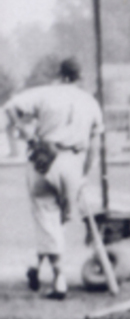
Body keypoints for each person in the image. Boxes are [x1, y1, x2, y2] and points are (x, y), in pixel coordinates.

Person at [3, 57, 103, 300]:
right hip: (74, 162)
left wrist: (25, 133)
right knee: (57, 223)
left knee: (46, 219)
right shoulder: (90, 101)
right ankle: (36, 269)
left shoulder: (45, 92)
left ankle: (59, 281)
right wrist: (84, 175)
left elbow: (10, 108)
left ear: (61, 74)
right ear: (79, 77)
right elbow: (94, 145)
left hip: (45, 161)